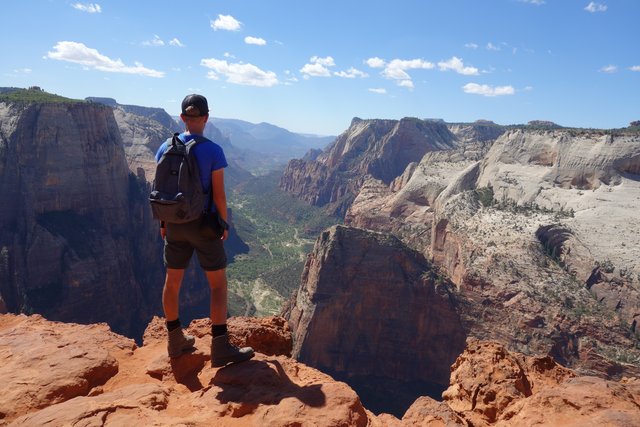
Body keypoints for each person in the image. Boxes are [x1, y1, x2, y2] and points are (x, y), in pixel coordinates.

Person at [155, 94, 254, 366]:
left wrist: (164, 222)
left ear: (182, 118)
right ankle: (220, 347)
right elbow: (219, 195)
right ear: (206, 118)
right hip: (204, 225)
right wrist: (224, 223)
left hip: (174, 223)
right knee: (218, 285)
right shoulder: (213, 151)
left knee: (172, 282)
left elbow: (162, 189)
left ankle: (175, 340)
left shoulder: (165, 146)